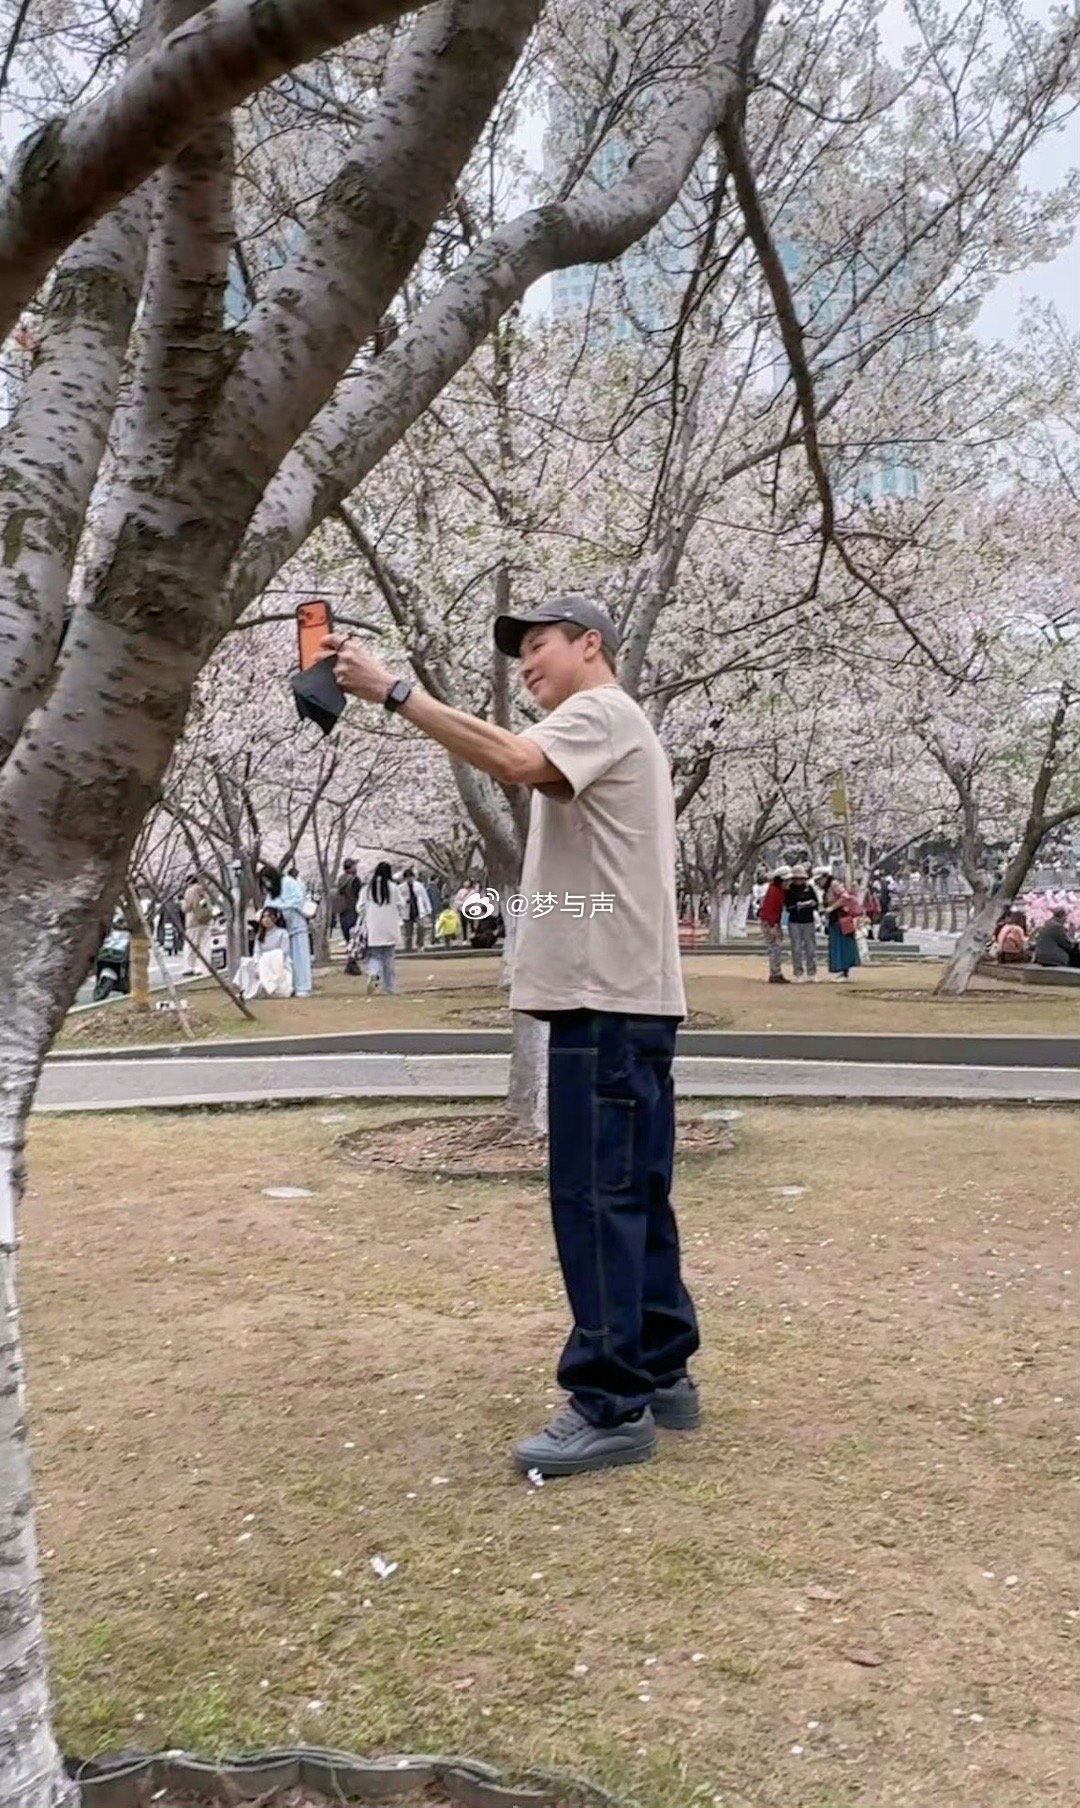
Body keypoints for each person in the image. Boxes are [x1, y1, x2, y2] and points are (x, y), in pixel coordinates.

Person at [325, 592, 699, 1477]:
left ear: (591, 646)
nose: (524, 665)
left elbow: (514, 758)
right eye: (519, 653)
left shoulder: (599, 712)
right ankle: (663, 1367)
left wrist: (392, 692)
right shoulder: (618, 728)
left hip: (603, 1001)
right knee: (635, 1191)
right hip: (631, 998)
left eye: (537, 647)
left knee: (594, 1196)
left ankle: (611, 1403)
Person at [258, 863, 313, 997]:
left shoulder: (288, 882)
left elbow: (298, 899)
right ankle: (290, 986)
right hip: (284, 929)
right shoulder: (273, 891)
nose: (267, 884)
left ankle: (303, 986)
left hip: (297, 925)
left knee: (300, 957)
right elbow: (268, 905)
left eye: (267, 880)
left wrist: (280, 905)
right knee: (286, 959)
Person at [360, 860, 404, 994]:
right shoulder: (393, 887)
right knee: (389, 956)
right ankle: (389, 987)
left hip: (373, 926)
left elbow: (360, 907)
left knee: (375, 955)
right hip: (390, 926)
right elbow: (400, 904)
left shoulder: (367, 889)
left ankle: (374, 972)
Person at [234, 908, 294, 999]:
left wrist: (267, 959)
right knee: (246, 963)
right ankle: (245, 989)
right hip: (262, 962)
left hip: (277, 962)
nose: (266, 920)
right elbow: (257, 952)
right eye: (264, 917)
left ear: (275, 919)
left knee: (268, 959)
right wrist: (258, 965)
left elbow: (284, 952)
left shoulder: (282, 933)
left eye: (269, 917)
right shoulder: (259, 936)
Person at [819, 870, 862, 980]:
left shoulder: (834, 885)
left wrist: (831, 908)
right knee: (838, 945)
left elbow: (845, 897)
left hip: (841, 919)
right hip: (834, 920)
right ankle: (842, 970)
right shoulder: (826, 889)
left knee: (843, 945)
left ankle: (844, 971)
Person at [784, 866, 820, 982]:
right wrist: (797, 906)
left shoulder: (809, 889)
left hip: (808, 920)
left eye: (801, 878)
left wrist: (811, 904)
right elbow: (788, 907)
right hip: (794, 921)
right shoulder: (789, 890)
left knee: (810, 948)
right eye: (796, 878)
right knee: (796, 948)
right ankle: (798, 973)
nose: (799, 881)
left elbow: (816, 904)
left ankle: (812, 972)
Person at [759, 866, 791, 984]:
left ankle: (776, 972)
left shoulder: (779, 891)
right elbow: (770, 910)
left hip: (774, 921)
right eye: (786, 880)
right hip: (770, 922)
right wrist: (772, 926)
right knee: (774, 947)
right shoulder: (774, 891)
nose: (788, 882)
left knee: (776, 947)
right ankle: (775, 973)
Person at [181, 874, 214, 975]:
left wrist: (182, 902)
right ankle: (203, 968)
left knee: (190, 946)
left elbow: (186, 908)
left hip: (193, 923)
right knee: (205, 946)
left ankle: (189, 967)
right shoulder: (204, 891)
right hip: (206, 921)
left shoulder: (190, 891)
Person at [401, 867, 433, 952]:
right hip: (407, 910)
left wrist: (428, 909)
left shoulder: (419, 885)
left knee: (421, 928)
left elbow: (425, 897)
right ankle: (408, 948)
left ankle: (420, 945)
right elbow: (399, 900)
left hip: (418, 910)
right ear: (405, 878)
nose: (409, 879)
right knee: (408, 931)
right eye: (407, 878)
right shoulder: (401, 887)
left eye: (411, 877)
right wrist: (405, 901)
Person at [333, 858, 362, 945]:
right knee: (355, 930)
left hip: (343, 909)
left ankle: (349, 945)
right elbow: (359, 894)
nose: (356, 868)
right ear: (351, 867)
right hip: (353, 908)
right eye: (354, 866)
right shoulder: (355, 879)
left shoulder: (340, 879)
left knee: (346, 930)